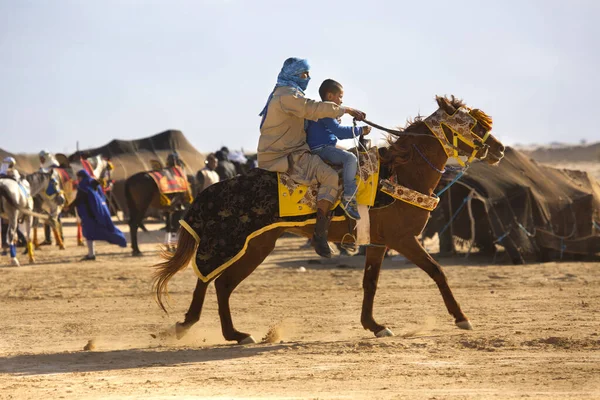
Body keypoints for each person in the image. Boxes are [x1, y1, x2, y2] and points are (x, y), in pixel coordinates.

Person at [257, 57, 366, 258]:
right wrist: (347, 110)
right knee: (330, 177)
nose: (308, 78)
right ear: (293, 74)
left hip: (292, 149)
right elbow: (312, 108)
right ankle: (320, 234)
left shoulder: (287, 93)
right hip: (287, 154)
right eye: (304, 74)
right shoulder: (287, 96)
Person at [306, 79, 371, 220]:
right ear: (330, 96)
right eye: (340, 96)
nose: (341, 101)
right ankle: (349, 197)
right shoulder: (326, 110)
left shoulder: (323, 110)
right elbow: (340, 133)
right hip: (322, 149)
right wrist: (361, 130)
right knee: (350, 158)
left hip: (325, 147)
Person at [71, 170, 126, 260]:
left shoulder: (83, 185)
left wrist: (68, 207)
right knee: (96, 231)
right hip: (97, 212)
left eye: (78, 177)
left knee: (89, 233)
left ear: (81, 177)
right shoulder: (93, 183)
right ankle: (91, 253)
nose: (78, 179)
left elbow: (80, 198)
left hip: (89, 214)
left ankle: (91, 254)